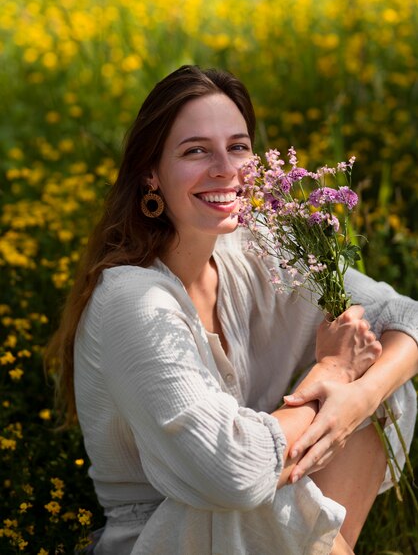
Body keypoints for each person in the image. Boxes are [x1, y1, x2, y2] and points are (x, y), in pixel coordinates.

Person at [47, 65, 418, 555]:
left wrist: (360, 397)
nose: (225, 168)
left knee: (384, 384)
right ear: (150, 174)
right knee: (258, 489)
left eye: (238, 147)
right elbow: (234, 474)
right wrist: (332, 370)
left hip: (254, 520)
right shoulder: (133, 301)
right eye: (195, 150)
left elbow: (404, 315)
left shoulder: (254, 247)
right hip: (167, 537)